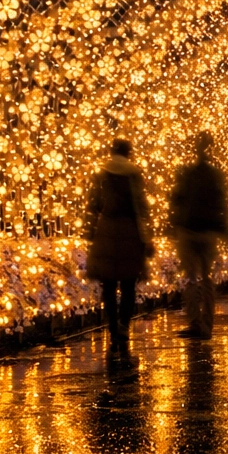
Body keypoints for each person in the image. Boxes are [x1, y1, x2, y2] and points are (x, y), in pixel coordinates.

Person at [85, 139, 153, 351]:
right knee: (128, 282)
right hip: (129, 231)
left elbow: (93, 202)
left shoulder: (102, 174)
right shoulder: (134, 173)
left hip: (106, 231)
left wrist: (90, 230)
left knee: (109, 283)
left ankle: (113, 325)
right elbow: (142, 205)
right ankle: (124, 324)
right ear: (128, 152)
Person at [168, 131, 228, 339]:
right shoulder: (215, 176)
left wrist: (174, 221)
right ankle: (206, 326)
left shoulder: (188, 173)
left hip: (189, 230)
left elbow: (177, 198)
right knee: (206, 279)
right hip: (207, 232)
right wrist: (224, 228)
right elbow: (222, 204)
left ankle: (195, 323)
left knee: (191, 279)